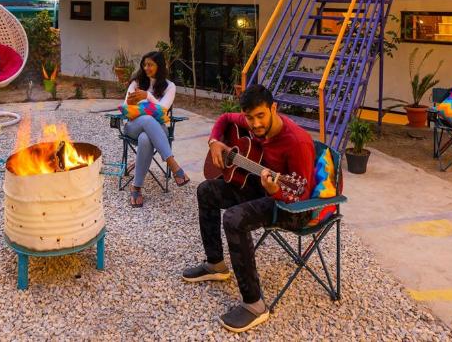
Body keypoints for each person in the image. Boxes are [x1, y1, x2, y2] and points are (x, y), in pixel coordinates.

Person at [181, 84, 315, 333]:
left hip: (293, 207)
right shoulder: (250, 121)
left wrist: (275, 191)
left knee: (234, 218)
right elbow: (224, 118)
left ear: (274, 108)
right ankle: (215, 264)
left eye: (260, 116)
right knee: (206, 190)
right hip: (262, 187)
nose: (254, 124)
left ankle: (254, 304)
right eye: (249, 118)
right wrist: (214, 142)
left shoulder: (297, 141)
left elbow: (301, 196)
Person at [122, 51, 188, 207]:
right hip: (133, 126)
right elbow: (126, 107)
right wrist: (137, 102)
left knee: (145, 138)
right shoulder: (136, 83)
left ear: (160, 66)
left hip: (158, 130)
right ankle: (172, 163)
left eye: (150, 64)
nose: (146, 68)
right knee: (147, 119)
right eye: (144, 64)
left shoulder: (170, 87)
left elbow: (163, 110)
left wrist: (147, 97)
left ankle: (136, 187)